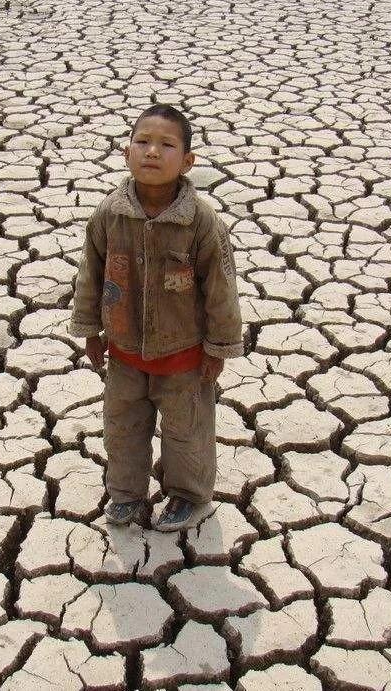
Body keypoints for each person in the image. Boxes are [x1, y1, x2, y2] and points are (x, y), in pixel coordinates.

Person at [69, 104, 244, 531]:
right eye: (142, 141)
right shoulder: (109, 215)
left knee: (186, 435)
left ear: (187, 162)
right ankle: (126, 496)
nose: (152, 152)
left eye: (166, 145)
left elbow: (221, 290)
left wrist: (219, 348)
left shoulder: (201, 223)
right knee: (123, 430)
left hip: (183, 358)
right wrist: (90, 331)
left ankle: (188, 496)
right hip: (125, 353)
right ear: (126, 152)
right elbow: (90, 275)